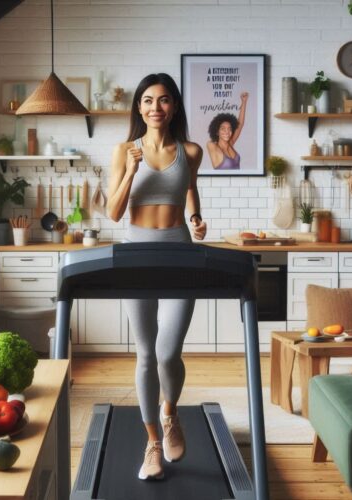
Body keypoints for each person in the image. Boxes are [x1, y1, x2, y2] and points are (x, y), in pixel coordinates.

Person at [107, 73, 207, 480]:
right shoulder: (123, 150)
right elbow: (113, 213)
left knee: (169, 352)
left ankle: (170, 414)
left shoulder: (191, 150)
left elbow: (189, 187)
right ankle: (152, 443)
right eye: (148, 100)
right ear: (138, 107)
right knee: (146, 353)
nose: (155, 108)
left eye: (164, 100)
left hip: (180, 250)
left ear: (175, 107)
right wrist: (131, 171)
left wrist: (197, 217)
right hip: (136, 252)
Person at [206, 92, 249, 169]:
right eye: (223, 129)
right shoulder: (213, 146)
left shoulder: (230, 144)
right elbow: (210, 143)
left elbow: (240, 124)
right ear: (217, 131)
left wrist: (244, 102)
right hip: (222, 181)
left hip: (238, 180)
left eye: (229, 129)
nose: (227, 131)